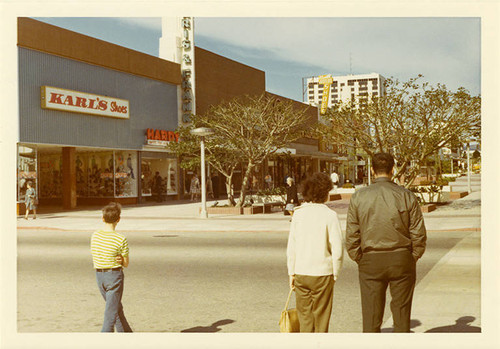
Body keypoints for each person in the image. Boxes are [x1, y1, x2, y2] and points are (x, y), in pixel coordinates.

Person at [345, 153, 427, 333]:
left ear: (372, 170)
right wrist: (412, 256)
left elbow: (352, 234)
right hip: (401, 258)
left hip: (371, 258)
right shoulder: (406, 195)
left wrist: (359, 257)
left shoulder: (359, 197)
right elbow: (418, 233)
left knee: (371, 318)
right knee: (401, 316)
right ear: (393, 170)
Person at [286, 172, 344, 332]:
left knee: (305, 318)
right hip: (322, 273)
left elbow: (292, 247)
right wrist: (335, 273)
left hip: (301, 272)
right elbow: (337, 249)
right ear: (325, 193)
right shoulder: (330, 215)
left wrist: (291, 272)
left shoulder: (298, 214)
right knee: (321, 319)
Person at [90, 202, 133, 332]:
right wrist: (119, 258)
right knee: (110, 316)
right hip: (114, 276)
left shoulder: (95, 236)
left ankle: (128, 337)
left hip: (99, 276)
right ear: (118, 220)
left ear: (103, 218)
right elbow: (126, 263)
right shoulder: (120, 239)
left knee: (115, 309)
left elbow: (96, 254)